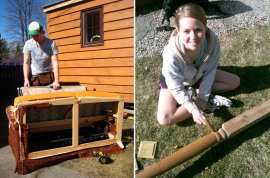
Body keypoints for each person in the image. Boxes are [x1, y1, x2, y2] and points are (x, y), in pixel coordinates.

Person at [157, 3, 240, 126]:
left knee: (234, 82)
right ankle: (192, 95)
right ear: (178, 31)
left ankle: (196, 94)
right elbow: (175, 86)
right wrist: (193, 109)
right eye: (186, 31)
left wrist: (202, 98)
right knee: (164, 119)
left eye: (198, 30)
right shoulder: (171, 54)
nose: (193, 37)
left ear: (205, 27)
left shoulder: (213, 43)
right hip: (178, 82)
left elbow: (210, 72)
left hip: (199, 75)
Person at [23, 21, 61, 90]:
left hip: (49, 78)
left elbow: (55, 62)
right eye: (32, 35)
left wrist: (56, 81)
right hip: (35, 79)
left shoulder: (51, 43)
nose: (34, 37)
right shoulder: (28, 44)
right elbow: (26, 63)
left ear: (42, 32)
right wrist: (26, 79)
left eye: (36, 35)